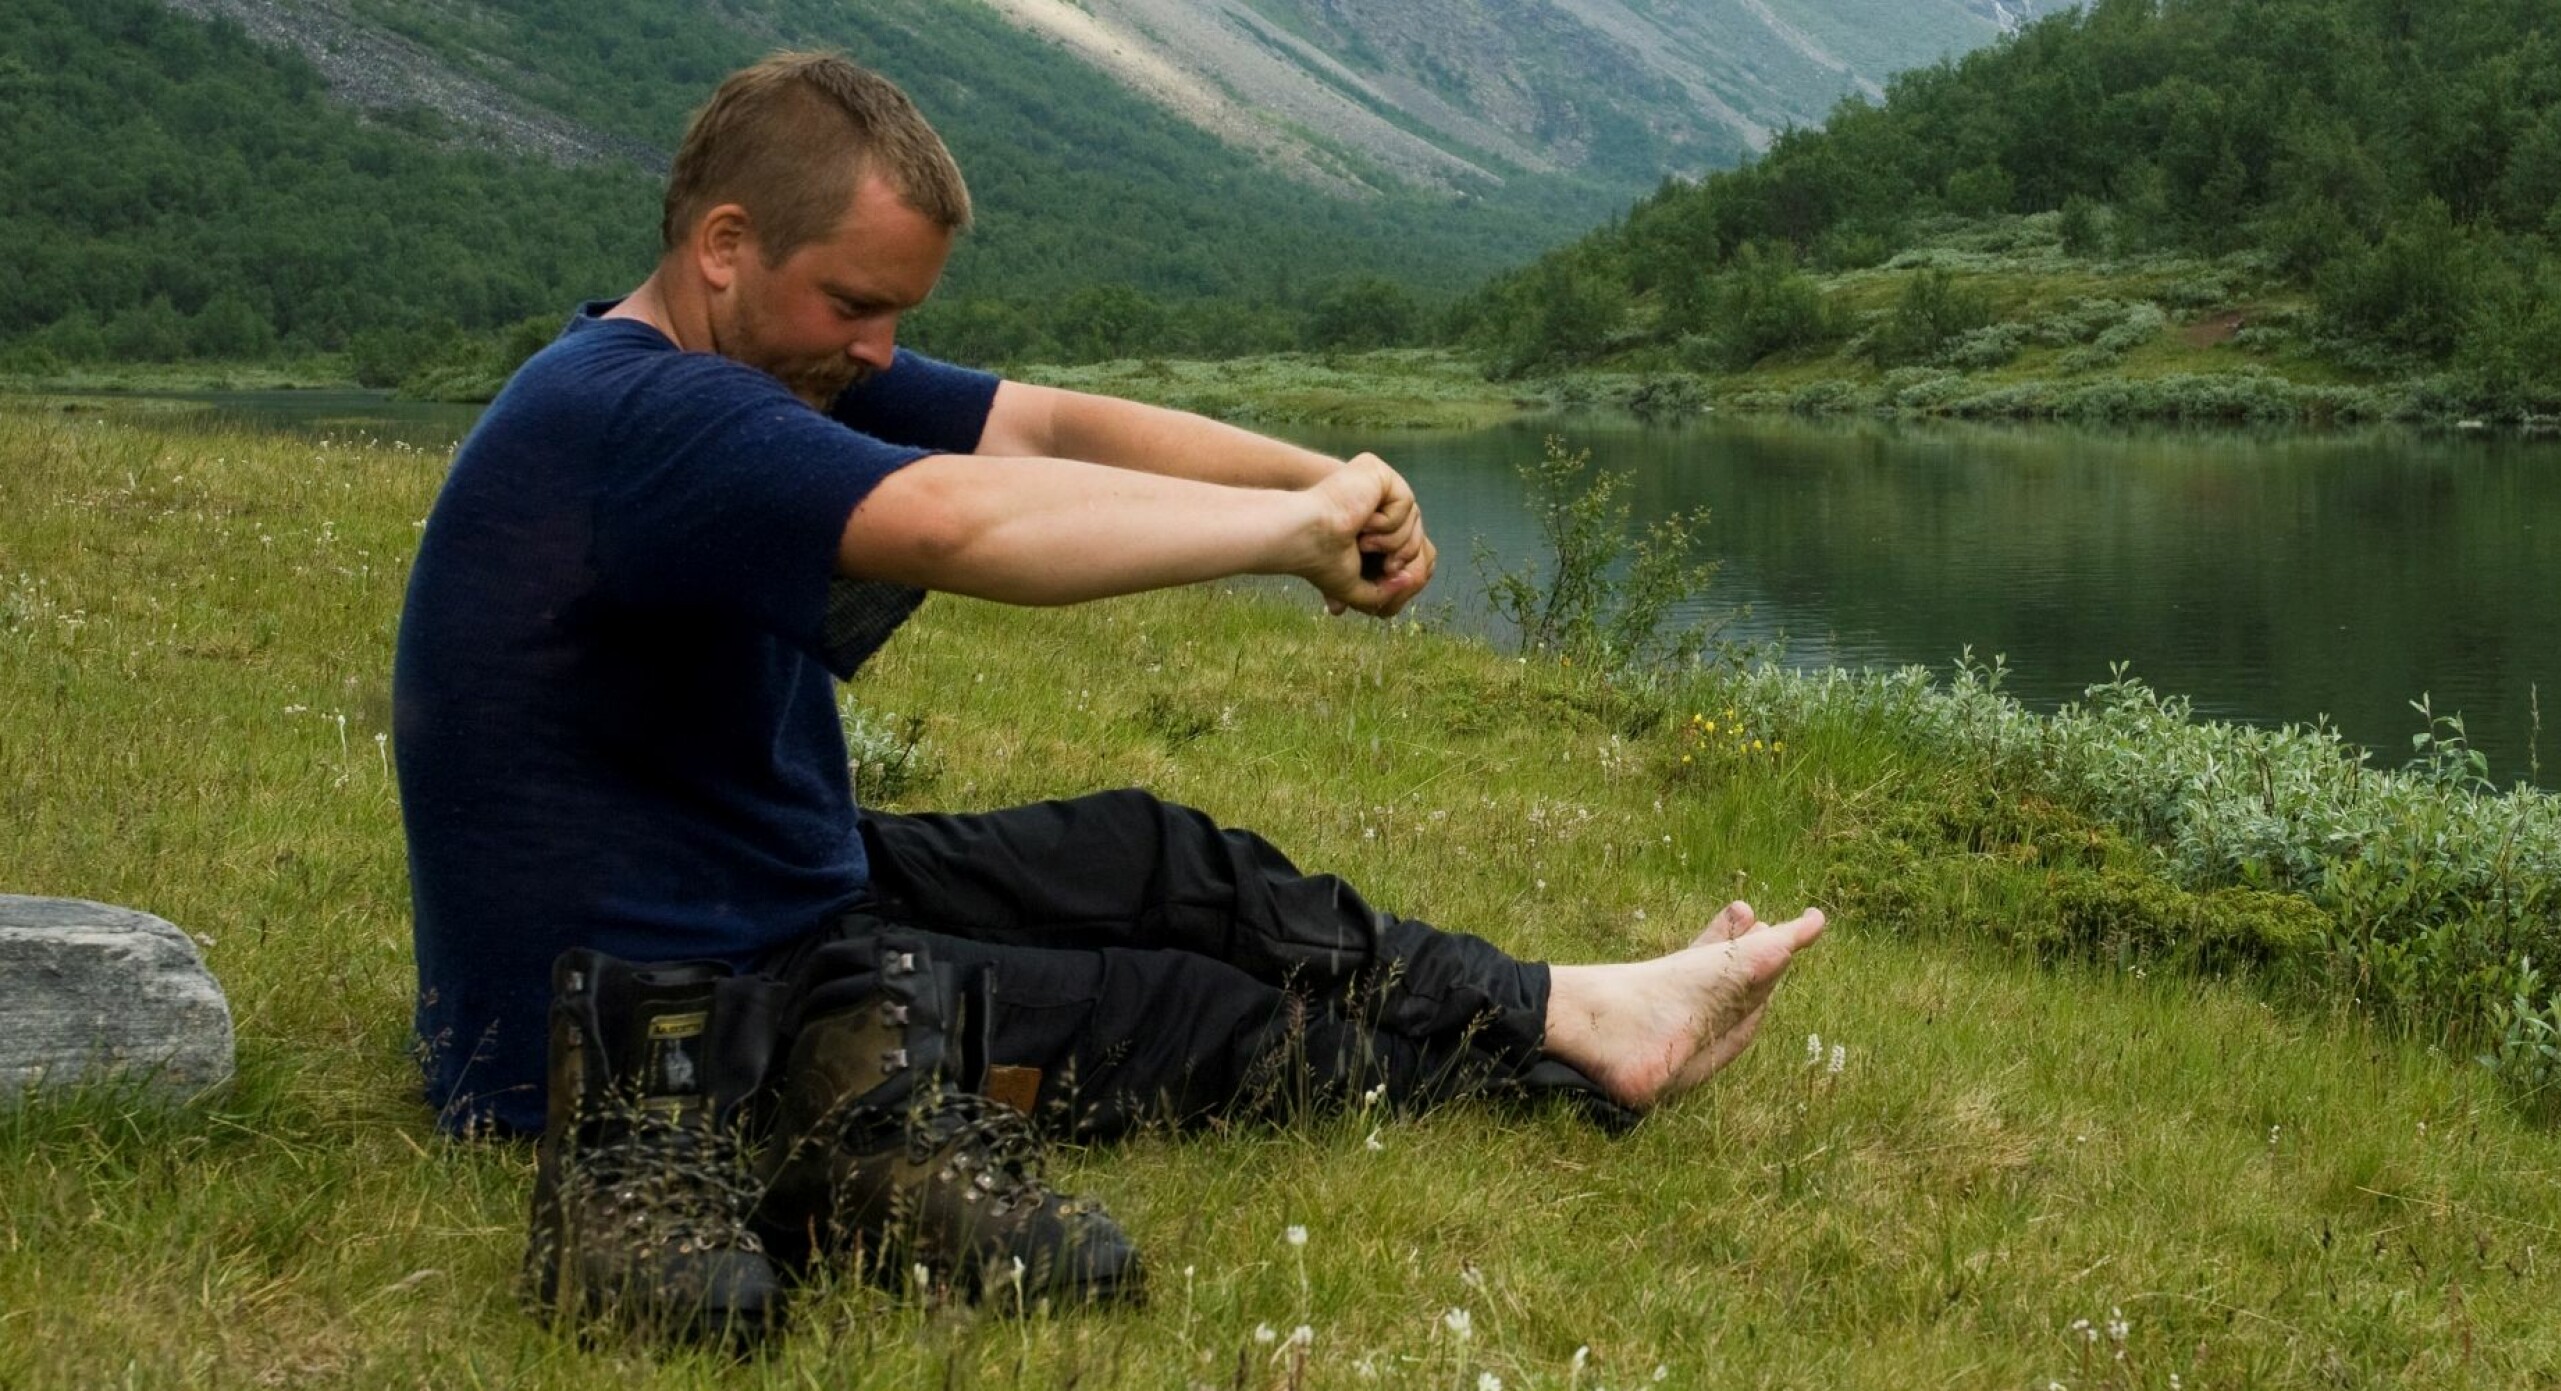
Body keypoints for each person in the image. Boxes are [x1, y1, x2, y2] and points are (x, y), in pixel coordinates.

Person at [390, 51, 1825, 1346]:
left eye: (896, 313)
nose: (879, 349)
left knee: (1150, 852)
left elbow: (1044, 426)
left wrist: (1329, 481)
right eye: (859, 304)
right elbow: (960, 521)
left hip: (762, 894)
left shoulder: (768, 359)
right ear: (723, 248)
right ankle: (1570, 1071)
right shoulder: (647, 417)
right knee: (1178, 1013)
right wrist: (1288, 538)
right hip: (637, 1026)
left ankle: (1568, 1005)